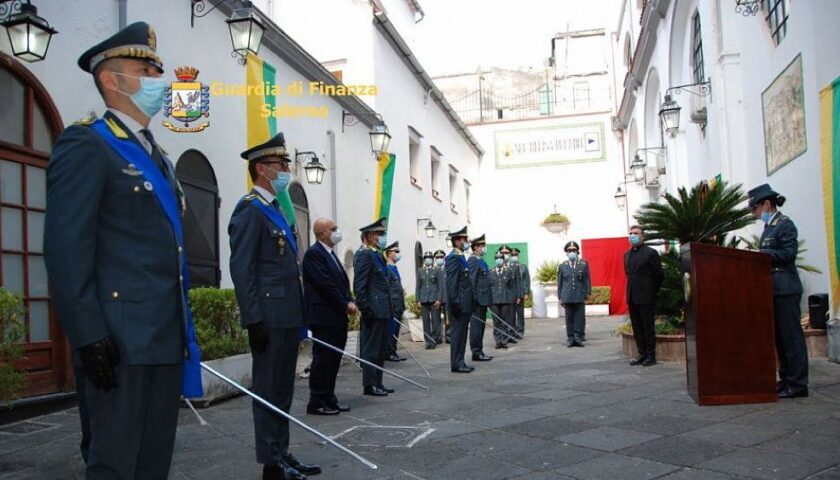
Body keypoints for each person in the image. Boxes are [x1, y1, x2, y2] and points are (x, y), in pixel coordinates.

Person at [44, 22, 202, 478]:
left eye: (157, 70)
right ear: (111, 80)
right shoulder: (88, 144)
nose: (157, 80)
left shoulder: (157, 155)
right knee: (115, 463)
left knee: (153, 461)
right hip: (117, 340)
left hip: (161, 335)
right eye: (145, 70)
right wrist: (89, 335)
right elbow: (65, 248)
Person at [229, 132, 320, 480]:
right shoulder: (249, 210)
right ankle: (271, 462)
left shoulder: (275, 209)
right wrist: (253, 319)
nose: (286, 169)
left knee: (282, 389)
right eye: (281, 164)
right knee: (267, 391)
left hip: (286, 315)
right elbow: (242, 268)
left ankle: (281, 453)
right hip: (267, 317)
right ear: (263, 169)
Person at [748, 184, 809, 398]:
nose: (755, 215)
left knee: (792, 339)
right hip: (772, 289)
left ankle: (798, 384)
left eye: (754, 209)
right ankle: (786, 380)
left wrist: (762, 253)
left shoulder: (785, 225)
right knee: (780, 340)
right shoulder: (769, 228)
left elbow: (788, 253)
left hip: (785, 288)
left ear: (766, 204)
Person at [302, 217, 354, 416]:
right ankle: (316, 401)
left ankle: (329, 398)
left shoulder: (331, 254)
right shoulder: (314, 255)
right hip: (323, 316)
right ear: (321, 233)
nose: (337, 231)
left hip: (336, 316)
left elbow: (341, 282)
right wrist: (344, 303)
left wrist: (350, 299)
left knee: (334, 359)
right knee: (323, 359)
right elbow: (325, 285)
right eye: (333, 228)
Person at [353, 218, 395, 396]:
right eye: (378, 234)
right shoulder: (364, 255)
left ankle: (378, 382)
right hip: (373, 310)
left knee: (380, 349)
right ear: (369, 236)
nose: (380, 237)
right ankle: (369, 385)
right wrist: (365, 307)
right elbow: (360, 285)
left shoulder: (377, 255)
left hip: (383, 309)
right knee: (371, 349)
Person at [624, 225, 664, 367]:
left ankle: (650, 355)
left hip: (646, 297)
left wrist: (651, 290)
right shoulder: (626, 255)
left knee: (647, 327)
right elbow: (628, 275)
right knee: (637, 327)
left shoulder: (650, 253)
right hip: (632, 296)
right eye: (630, 233)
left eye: (635, 233)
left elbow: (659, 275)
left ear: (642, 236)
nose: (632, 236)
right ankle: (641, 353)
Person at [446, 227, 475, 373]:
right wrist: (455, 302)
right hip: (459, 304)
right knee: (458, 334)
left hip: (464, 303)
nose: (467, 242)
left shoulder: (460, 257)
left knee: (462, 334)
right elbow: (452, 284)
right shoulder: (453, 258)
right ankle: (457, 363)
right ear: (457, 241)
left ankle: (460, 361)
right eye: (464, 240)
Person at [558, 241, 591, 348]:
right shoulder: (563, 266)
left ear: (577, 252)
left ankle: (578, 338)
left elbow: (587, 279)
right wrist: (560, 297)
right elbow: (560, 282)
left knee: (579, 318)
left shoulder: (583, 264)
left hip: (579, 295)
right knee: (569, 319)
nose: (572, 252)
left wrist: (588, 292)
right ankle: (570, 339)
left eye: (574, 250)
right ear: (566, 253)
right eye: (569, 251)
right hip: (567, 296)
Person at [468, 235, 493, 361]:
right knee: (476, 327)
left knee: (481, 327)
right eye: (482, 246)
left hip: (483, 299)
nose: (484, 248)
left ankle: (479, 350)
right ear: (476, 248)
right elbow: (471, 281)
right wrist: (474, 298)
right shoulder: (473, 260)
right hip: (477, 300)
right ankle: (476, 352)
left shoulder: (481, 260)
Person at [416, 251, 445, 349]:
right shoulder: (420, 270)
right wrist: (418, 300)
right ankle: (428, 341)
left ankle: (434, 340)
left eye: (430, 258)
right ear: (424, 259)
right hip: (424, 299)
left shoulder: (437, 270)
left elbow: (441, 286)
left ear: (432, 260)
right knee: (426, 321)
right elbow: (418, 287)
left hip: (434, 299)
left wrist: (439, 299)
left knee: (436, 321)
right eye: (426, 258)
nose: (428, 259)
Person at [384, 241, 408, 362]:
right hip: (393, 304)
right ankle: (389, 352)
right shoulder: (387, 268)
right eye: (396, 252)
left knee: (396, 329)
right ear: (389, 253)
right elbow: (387, 288)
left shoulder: (394, 267)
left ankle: (393, 350)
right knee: (392, 329)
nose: (398, 254)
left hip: (398, 304)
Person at [489, 250, 516, 349]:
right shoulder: (490, 273)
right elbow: (489, 287)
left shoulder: (508, 272)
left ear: (503, 260)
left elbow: (512, 287)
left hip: (505, 300)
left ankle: (504, 341)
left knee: (504, 321)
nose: (499, 260)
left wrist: (511, 299)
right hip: (494, 301)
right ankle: (498, 341)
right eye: (497, 258)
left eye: (501, 258)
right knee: (496, 322)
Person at [511, 247, 530, 339]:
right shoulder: (508, 267)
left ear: (518, 256)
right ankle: (513, 331)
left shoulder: (522, 266)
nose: (514, 256)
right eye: (512, 255)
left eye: (515, 255)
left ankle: (520, 331)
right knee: (511, 314)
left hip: (521, 293)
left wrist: (526, 293)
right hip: (511, 295)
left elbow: (527, 280)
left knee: (520, 314)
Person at [434, 249, 449, 344]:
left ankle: (448, 336)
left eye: (441, 257)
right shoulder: (433, 270)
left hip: (447, 298)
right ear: (435, 259)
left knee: (448, 319)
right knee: (436, 319)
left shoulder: (448, 269)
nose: (439, 259)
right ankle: (437, 337)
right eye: (437, 257)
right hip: (436, 299)